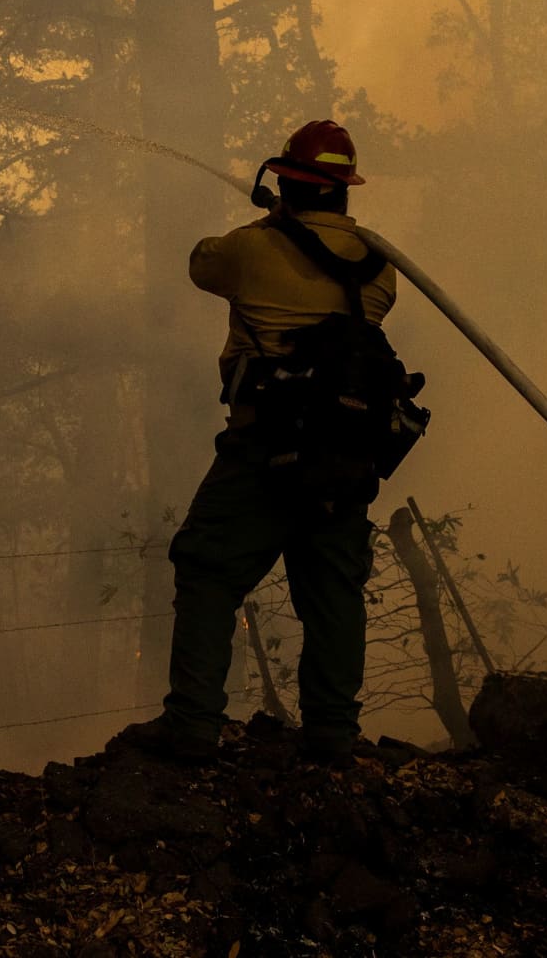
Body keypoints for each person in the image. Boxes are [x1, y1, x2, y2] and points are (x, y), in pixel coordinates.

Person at [134, 119, 398, 764]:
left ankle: (193, 724)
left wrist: (268, 222)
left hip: (266, 447)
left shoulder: (252, 250)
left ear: (285, 181)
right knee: (333, 593)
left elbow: (203, 263)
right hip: (346, 455)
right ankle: (333, 735)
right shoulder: (380, 266)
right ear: (344, 191)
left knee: (206, 568)